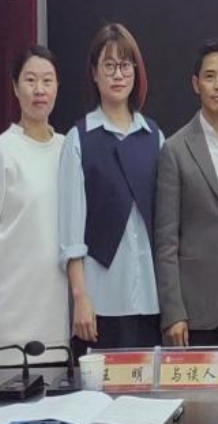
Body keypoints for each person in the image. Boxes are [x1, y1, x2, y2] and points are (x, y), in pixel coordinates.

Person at [58, 23, 165, 354]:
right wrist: (80, 298)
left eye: (125, 65)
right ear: (94, 73)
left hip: (151, 299)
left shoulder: (154, 137)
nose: (118, 75)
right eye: (109, 65)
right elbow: (70, 232)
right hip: (100, 301)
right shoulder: (79, 138)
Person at [0, 45, 69, 359]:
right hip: (10, 315)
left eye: (47, 80)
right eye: (30, 80)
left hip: (56, 318)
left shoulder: (67, 150)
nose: (39, 90)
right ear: (15, 88)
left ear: (57, 87)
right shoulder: (1, 153)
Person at [154, 39, 218, 362]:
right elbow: (166, 240)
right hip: (195, 308)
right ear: (196, 84)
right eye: (209, 76)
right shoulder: (175, 149)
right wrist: (173, 311)